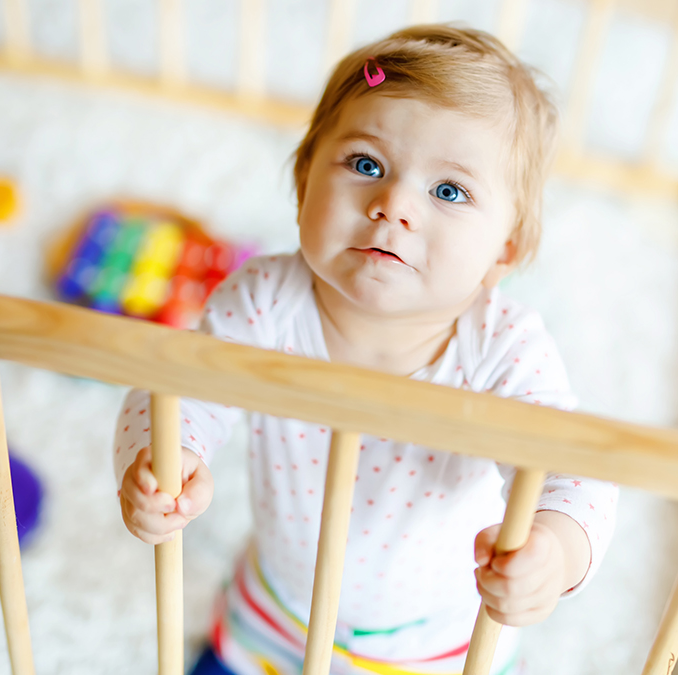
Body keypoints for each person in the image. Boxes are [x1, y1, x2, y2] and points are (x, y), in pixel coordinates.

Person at [113, 24, 618, 675]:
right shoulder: (266, 300)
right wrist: (164, 459)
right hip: (277, 609)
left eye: (449, 191)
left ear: (505, 251)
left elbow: (575, 470)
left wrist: (555, 551)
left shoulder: (502, 348)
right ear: (303, 183)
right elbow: (176, 388)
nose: (393, 205)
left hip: (437, 644)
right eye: (366, 164)